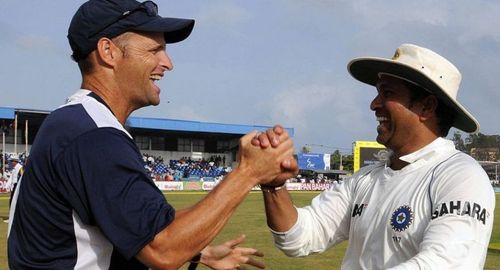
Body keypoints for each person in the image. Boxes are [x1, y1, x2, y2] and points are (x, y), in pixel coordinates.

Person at [7, 0, 297, 269]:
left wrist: (199, 251)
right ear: (108, 52)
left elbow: (128, 227)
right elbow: (163, 249)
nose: (168, 63)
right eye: (154, 50)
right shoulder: (95, 137)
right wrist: (248, 172)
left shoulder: (73, 123)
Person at [258, 44, 495, 269]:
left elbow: (444, 264)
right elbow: (299, 237)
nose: (374, 104)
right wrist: (274, 186)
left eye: (387, 93)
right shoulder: (365, 179)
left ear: (427, 107)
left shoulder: (460, 176)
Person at [4, 154, 23, 223]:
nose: (11, 162)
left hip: (18, 187)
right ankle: (12, 218)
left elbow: (22, 178)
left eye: (12, 161)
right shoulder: (15, 168)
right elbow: (11, 178)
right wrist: (7, 186)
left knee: (14, 202)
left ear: (15, 161)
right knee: (12, 202)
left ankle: (13, 219)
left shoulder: (20, 168)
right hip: (15, 186)